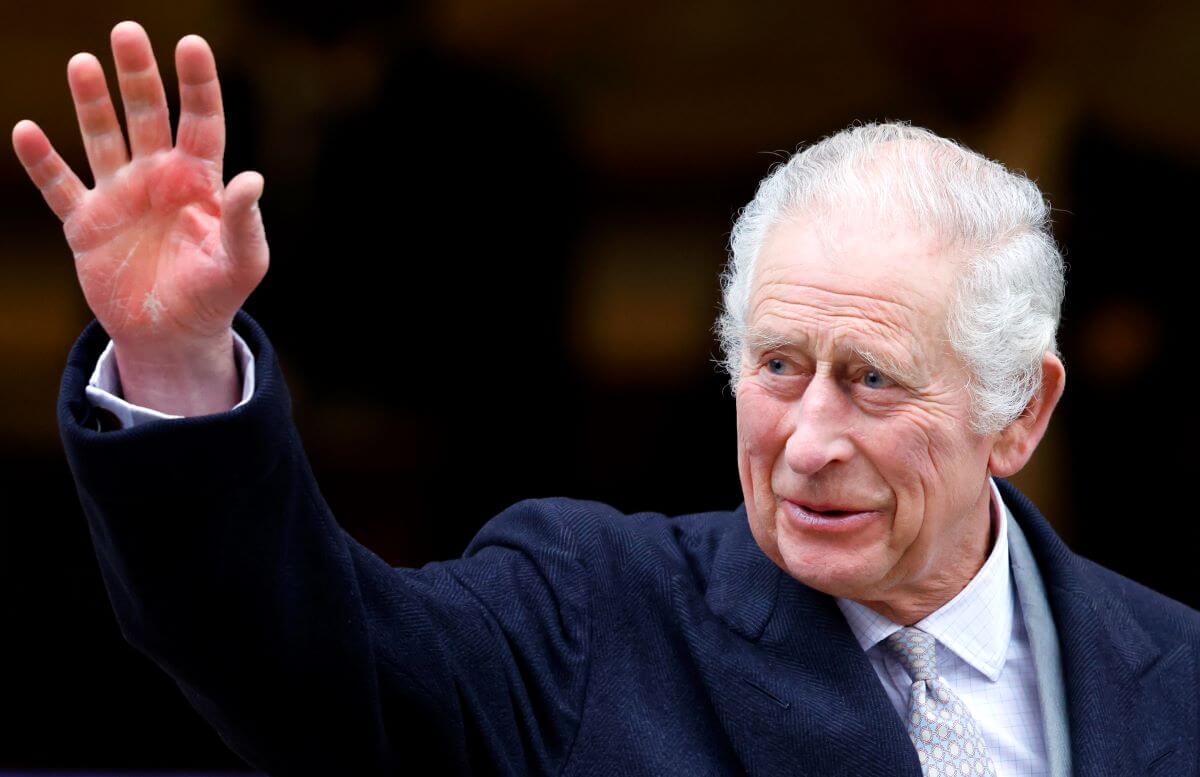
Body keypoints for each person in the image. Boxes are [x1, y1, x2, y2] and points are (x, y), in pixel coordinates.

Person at [14, 21, 1200, 777]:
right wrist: (176, 363)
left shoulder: (1174, 670)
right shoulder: (587, 614)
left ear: (1021, 414)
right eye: (777, 367)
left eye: (874, 380)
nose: (809, 445)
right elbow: (298, 656)